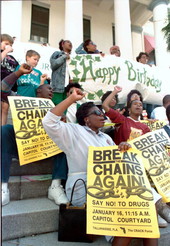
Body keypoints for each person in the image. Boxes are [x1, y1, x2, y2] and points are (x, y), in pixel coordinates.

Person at [42, 87, 134, 246]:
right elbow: (48, 121)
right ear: (86, 119)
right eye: (97, 113)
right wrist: (71, 99)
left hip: (110, 186)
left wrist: (122, 147)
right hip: (83, 189)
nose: (103, 116)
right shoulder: (73, 131)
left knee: (144, 218)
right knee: (127, 226)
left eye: (103, 113)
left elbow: (117, 162)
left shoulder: (105, 137)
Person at [102, 86, 170, 228]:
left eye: (141, 104)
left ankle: (154, 214)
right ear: (128, 108)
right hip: (122, 163)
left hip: (140, 164)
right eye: (135, 104)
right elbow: (105, 105)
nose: (139, 105)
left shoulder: (146, 127)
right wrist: (115, 91)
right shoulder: (122, 120)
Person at [1, 34, 19, 125]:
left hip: (8, 88)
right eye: (6, 43)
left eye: (11, 45)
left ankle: (2, 130)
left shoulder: (12, 59)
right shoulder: (2, 54)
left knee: (5, 108)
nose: (9, 46)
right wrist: (5, 51)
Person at [50, 39, 72, 105]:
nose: (70, 43)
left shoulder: (73, 57)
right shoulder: (57, 54)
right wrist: (64, 56)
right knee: (56, 109)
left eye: (71, 42)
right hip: (57, 88)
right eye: (68, 42)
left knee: (64, 111)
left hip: (68, 90)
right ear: (62, 44)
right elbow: (54, 65)